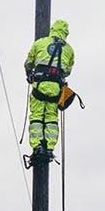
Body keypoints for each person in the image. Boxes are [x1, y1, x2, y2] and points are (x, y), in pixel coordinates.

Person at [25, 16, 75, 163]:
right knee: (51, 118)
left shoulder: (40, 42)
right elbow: (67, 71)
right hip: (55, 89)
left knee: (37, 116)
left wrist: (29, 73)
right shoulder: (69, 50)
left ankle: (37, 146)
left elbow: (29, 62)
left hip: (40, 85)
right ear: (65, 33)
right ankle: (49, 148)